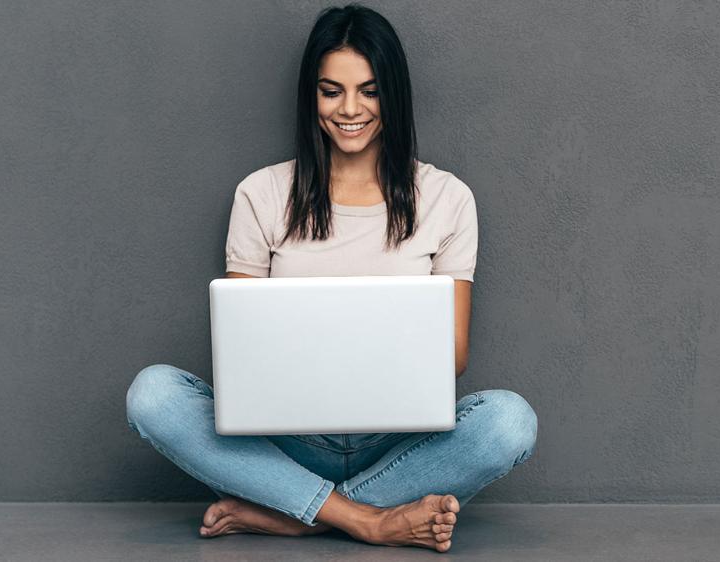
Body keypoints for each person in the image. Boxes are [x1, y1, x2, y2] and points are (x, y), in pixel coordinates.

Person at [124, 3, 537, 553]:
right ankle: (366, 519)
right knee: (153, 394)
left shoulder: (447, 198)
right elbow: (241, 350)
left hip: (397, 440)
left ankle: (301, 512)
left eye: (369, 90)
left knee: (510, 421)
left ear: (394, 93)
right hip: (287, 439)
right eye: (331, 90)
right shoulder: (261, 194)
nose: (350, 110)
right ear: (310, 96)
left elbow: (453, 356)